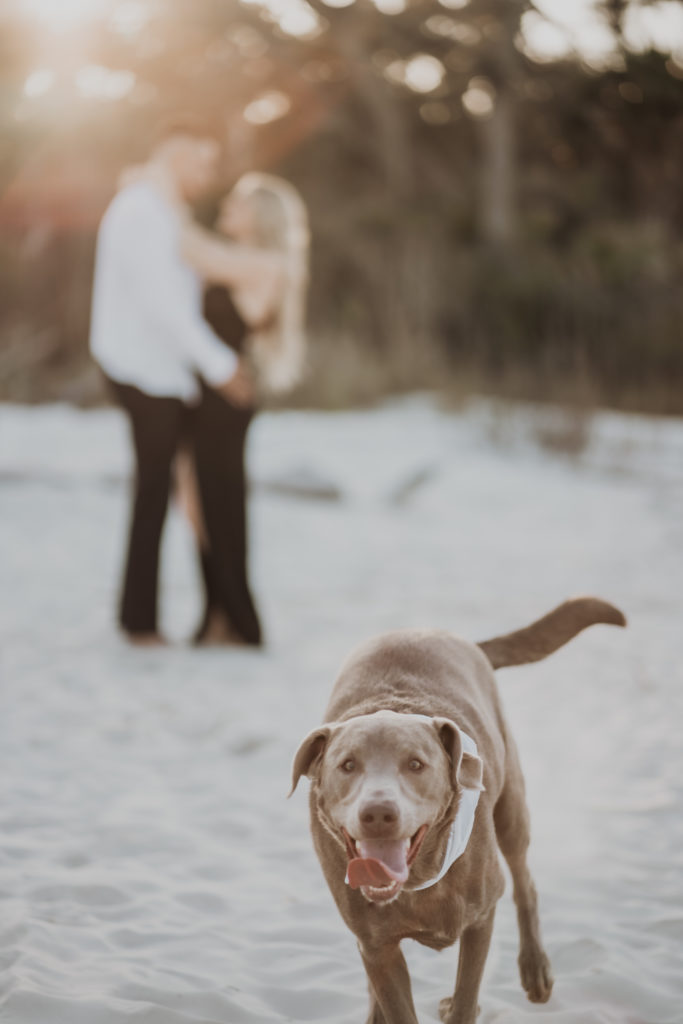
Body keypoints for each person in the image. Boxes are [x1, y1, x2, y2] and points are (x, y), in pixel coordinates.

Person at [89, 121, 254, 645]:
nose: (207, 175)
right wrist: (218, 365)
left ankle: (210, 615)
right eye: (202, 162)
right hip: (144, 370)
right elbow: (164, 306)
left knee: (175, 491)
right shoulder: (142, 210)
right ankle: (139, 622)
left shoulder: (160, 209)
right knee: (155, 490)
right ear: (178, 154)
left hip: (164, 372)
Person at [177, 173, 310, 645]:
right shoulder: (239, 260)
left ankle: (237, 619)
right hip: (204, 396)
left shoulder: (267, 263)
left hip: (225, 402)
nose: (227, 206)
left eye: (238, 201)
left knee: (221, 506)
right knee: (194, 505)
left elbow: (194, 251)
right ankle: (216, 611)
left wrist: (161, 198)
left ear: (260, 215)